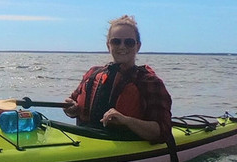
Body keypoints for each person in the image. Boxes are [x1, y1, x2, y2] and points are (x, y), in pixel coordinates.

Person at [61, 14, 173, 143]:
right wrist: (70, 109)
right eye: (116, 41)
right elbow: (73, 107)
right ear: (108, 45)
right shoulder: (93, 73)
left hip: (126, 144)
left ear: (138, 46)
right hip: (86, 139)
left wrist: (126, 121)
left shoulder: (149, 82)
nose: (122, 46)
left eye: (129, 42)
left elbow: (163, 132)